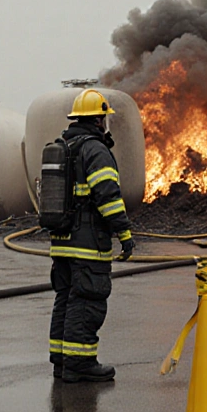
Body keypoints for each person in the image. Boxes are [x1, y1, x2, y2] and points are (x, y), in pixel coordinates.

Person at [48, 89, 137, 383]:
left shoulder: (65, 146)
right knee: (88, 301)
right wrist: (124, 233)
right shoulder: (95, 150)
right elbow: (108, 197)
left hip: (61, 242)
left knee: (66, 299)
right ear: (99, 120)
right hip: (87, 243)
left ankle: (62, 362)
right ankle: (80, 364)